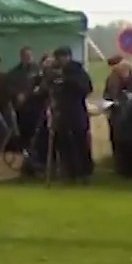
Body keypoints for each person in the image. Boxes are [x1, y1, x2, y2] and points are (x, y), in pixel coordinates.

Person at [45, 46, 94, 183]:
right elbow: (47, 86)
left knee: (80, 142)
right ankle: (70, 172)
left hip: (76, 110)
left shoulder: (78, 71)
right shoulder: (54, 72)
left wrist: (67, 81)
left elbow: (86, 88)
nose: (60, 60)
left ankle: (84, 172)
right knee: (64, 143)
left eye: (62, 57)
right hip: (61, 112)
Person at [104, 60, 132, 179]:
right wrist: (110, 102)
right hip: (117, 114)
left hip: (131, 117)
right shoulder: (113, 81)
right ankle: (121, 168)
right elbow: (107, 94)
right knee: (119, 142)